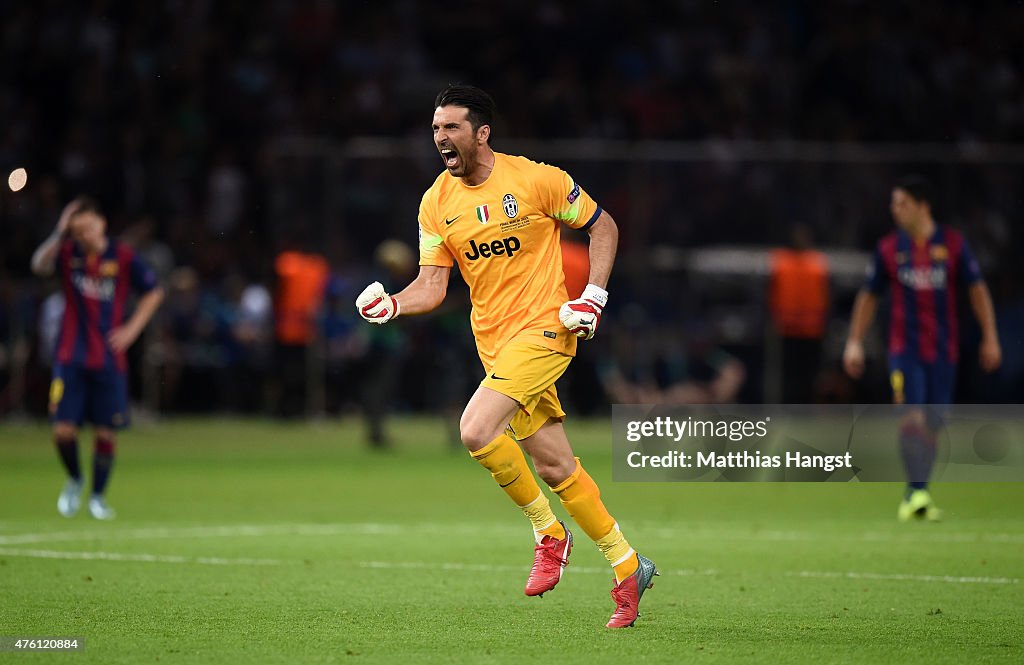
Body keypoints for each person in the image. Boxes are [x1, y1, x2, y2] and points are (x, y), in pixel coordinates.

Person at [355, 84, 656, 628]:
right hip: (495, 345)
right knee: (555, 464)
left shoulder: (537, 179)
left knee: (474, 429)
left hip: (546, 330)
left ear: (481, 132)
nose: (441, 138)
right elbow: (431, 285)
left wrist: (594, 296)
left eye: (451, 128)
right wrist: (392, 306)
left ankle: (548, 532)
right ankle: (627, 565)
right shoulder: (435, 203)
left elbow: (602, 225)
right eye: (435, 129)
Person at [842, 175, 1001, 521]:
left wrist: (991, 335)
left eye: (902, 203)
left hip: (944, 351)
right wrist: (854, 341)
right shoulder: (889, 249)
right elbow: (868, 295)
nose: (895, 210)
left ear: (922, 206)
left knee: (932, 423)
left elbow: (977, 290)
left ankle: (919, 490)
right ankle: (915, 493)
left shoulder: (953, 245)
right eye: (893, 204)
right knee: (911, 416)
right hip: (904, 350)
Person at [31, 197, 164, 520]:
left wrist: (132, 329)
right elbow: (38, 266)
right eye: (78, 231)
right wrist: (59, 231)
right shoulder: (67, 254)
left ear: (101, 223)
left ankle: (98, 497)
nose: (85, 235)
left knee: (106, 431)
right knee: (63, 430)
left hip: (109, 359)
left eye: (88, 227)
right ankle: (75, 478)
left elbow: (154, 291)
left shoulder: (122, 256)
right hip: (69, 357)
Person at [768, 224, 830, 403]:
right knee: (789, 374)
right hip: (787, 328)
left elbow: (826, 295)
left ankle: (809, 407)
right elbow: (771, 293)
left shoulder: (817, 262)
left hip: (813, 328)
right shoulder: (780, 261)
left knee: (810, 374)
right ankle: (788, 406)